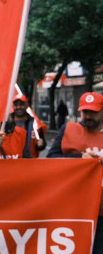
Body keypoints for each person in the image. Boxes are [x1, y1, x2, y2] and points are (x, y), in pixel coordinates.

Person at [47, 92, 102, 254]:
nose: (88, 116)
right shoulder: (69, 130)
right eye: (85, 112)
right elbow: (51, 159)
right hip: (74, 207)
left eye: (93, 112)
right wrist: (79, 158)